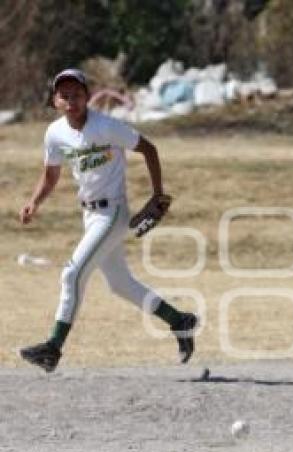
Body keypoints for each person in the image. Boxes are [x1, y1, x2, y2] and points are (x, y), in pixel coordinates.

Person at [18, 69, 197, 373]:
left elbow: (149, 149)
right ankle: (180, 321)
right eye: (64, 95)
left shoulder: (107, 127)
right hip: (89, 214)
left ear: (87, 96)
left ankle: (53, 348)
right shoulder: (55, 133)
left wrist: (157, 194)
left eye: (76, 93)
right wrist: (34, 201)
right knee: (120, 285)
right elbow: (51, 174)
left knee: (72, 276)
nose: (71, 100)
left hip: (112, 212)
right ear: (54, 100)